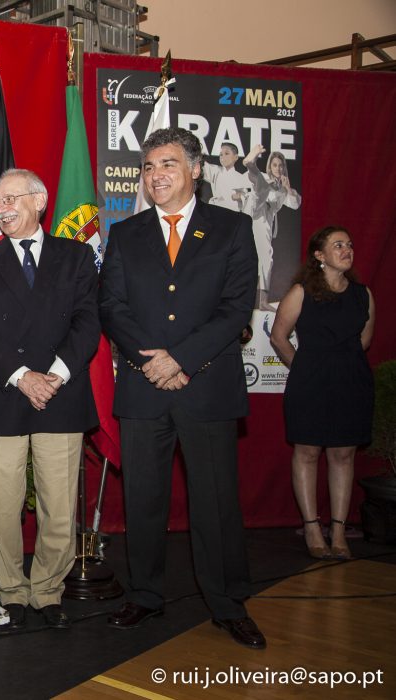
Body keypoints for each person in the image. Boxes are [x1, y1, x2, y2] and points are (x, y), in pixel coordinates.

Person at [98, 126, 265, 649]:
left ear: (195, 169)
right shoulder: (126, 234)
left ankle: (227, 602)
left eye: (167, 164)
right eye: (148, 167)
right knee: (144, 498)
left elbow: (236, 307)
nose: (156, 176)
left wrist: (182, 359)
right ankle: (144, 595)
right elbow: (112, 307)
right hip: (145, 387)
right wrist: (154, 363)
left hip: (206, 384)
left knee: (214, 500)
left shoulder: (233, 229)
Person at [0, 169, 100, 630]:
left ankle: (47, 592)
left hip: (61, 392)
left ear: (39, 201)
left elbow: (88, 323)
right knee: (2, 506)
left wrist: (54, 376)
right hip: (5, 392)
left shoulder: (78, 255)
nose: (0, 208)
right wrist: (22, 377)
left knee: (59, 506)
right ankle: (13, 593)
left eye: (10, 199)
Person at [270, 226, 375, 560]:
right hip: (310, 382)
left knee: (343, 455)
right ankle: (313, 528)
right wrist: (305, 368)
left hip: (352, 381)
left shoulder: (364, 294)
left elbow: (364, 341)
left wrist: (341, 367)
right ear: (319, 255)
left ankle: (339, 531)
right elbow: (278, 337)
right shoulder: (301, 292)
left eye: (349, 244)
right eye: (338, 245)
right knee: (308, 452)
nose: (347, 249)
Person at [244, 145, 303, 310]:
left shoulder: (283, 188)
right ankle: (250, 162)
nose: (278, 168)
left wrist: (288, 188)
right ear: (269, 166)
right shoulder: (266, 178)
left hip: (265, 222)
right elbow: (256, 184)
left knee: (264, 258)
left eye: (281, 165)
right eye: (275, 165)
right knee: (265, 256)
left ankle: (261, 300)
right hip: (256, 216)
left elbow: (295, 204)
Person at [200, 142, 252, 213]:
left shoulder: (241, 178)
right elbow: (202, 165)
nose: (222, 156)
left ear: (236, 157)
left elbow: (247, 198)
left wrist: (239, 197)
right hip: (216, 211)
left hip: (232, 214)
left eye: (227, 153)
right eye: (221, 154)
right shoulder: (215, 171)